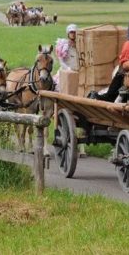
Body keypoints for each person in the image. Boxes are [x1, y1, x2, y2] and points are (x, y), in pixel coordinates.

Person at [55, 23, 87, 157]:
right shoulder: (64, 45)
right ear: (68, 33)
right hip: (67, 72)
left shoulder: (81, 46)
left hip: (79, 73)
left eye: (75, 32)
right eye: (71, 33)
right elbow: (61, 60)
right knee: (57, 85)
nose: (73, 35)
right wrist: (68, 69)